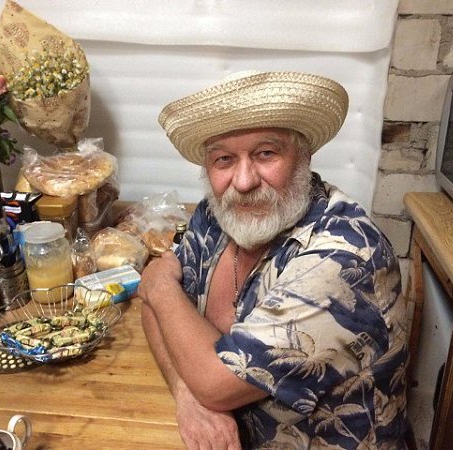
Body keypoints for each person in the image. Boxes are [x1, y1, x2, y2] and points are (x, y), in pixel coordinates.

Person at [137, 71, 408, 449]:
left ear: (304, 156)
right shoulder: (216, 214)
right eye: (223, 159)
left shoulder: (344, 259)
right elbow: (154, 313)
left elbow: (213, 381)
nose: (243, 181)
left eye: (266, 153)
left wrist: (157, 281)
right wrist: (186, 394)